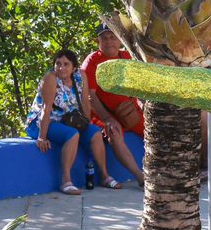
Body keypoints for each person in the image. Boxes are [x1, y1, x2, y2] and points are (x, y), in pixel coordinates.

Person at [26, 49, 120, 194]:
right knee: (72, 135)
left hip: (69, 120)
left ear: (74, 67)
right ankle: (66, 181)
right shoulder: (50, 79)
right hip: (43, 122)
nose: (61, 68)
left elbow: (85, 102)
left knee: (95, 133)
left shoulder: (80, 76)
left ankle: (104, 176)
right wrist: (42, 137)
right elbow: (46, 109)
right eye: (58, 64)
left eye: (66, 64)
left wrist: (86, 125)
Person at [81, 26, 146, 184]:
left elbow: (138, 86)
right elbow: (90, 96)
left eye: (112, 37)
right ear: (98, 41)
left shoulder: (127, 57)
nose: (109, 41)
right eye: (104, 38)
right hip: (103, 114)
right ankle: (140, 176)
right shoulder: (92, 61)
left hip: (130, 111)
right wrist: (108, 119)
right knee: (114, 133)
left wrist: (142, 102)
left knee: (156, 132)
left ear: (119, 40)